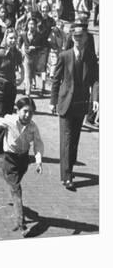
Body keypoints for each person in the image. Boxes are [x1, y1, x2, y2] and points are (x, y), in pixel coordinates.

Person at [0, 96, 44, 236]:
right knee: (16, 190)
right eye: (25, 111)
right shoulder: (9, 120)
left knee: (15, 184)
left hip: (23, 160)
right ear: (18, 110)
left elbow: (38, 143)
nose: (28, 115)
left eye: (31, 112)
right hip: (9, 159)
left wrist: (38, 161)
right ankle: (21, 224)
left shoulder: (33, 127)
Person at [50, 21, 99, 190]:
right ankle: (66, 175)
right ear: (72, 37)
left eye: (81, 36)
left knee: (75, 140)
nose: (78, 39)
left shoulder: (91, 57)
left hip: (81, 103)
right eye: (75, 36)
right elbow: (56, 80)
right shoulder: (65, 55)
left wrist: (95, 99)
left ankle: (69, 168)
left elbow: (95, 80)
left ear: (86, 38)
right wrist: (52, 101)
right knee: (66, 140)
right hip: (65, 102)